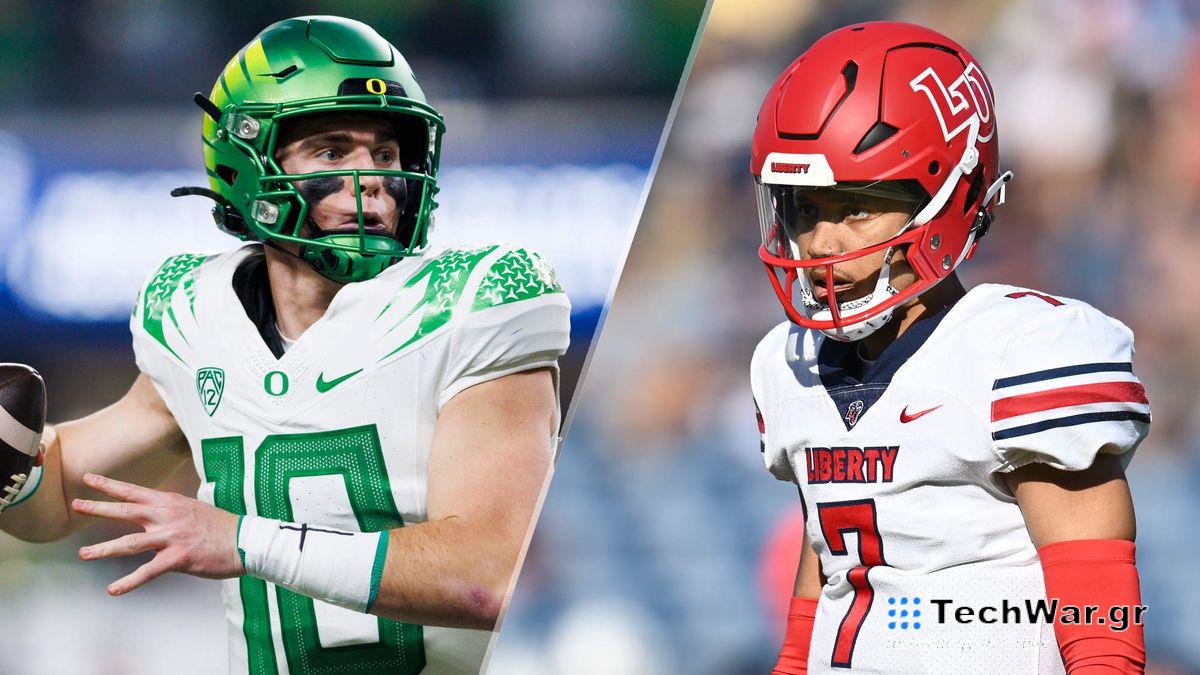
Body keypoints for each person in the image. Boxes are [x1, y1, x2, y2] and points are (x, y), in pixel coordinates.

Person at [0, 16, 570, 674]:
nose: (374, 178)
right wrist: (15, 472)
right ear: (249, 161)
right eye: (333, 151)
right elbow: (62, 497)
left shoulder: (473, 298)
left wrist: (243, 540)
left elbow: (489, 575)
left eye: (386, 153)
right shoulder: (192, 315)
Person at [749, 22, 1147, 673]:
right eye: (803, 208)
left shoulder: (1021, 352)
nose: (822, 241)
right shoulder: (783, 364)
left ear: (949, 196)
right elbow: (825, 584)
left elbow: (1098, 613)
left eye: (857, 206)